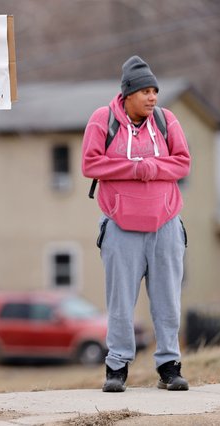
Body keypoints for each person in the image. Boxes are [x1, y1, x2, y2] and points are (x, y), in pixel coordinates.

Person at [81, 56, 191, 392]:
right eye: (145, 91)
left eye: (155, 91)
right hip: (120, 226)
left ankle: (169, 367)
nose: (152, 97)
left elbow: (183, 162)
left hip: (166, 225)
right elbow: (90, 163)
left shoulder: (166, 120)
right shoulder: (103, 120)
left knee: (167, 300)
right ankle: (116, 367)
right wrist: (133, 167)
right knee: (120, 302)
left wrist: (153, 168)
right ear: (127, 93)